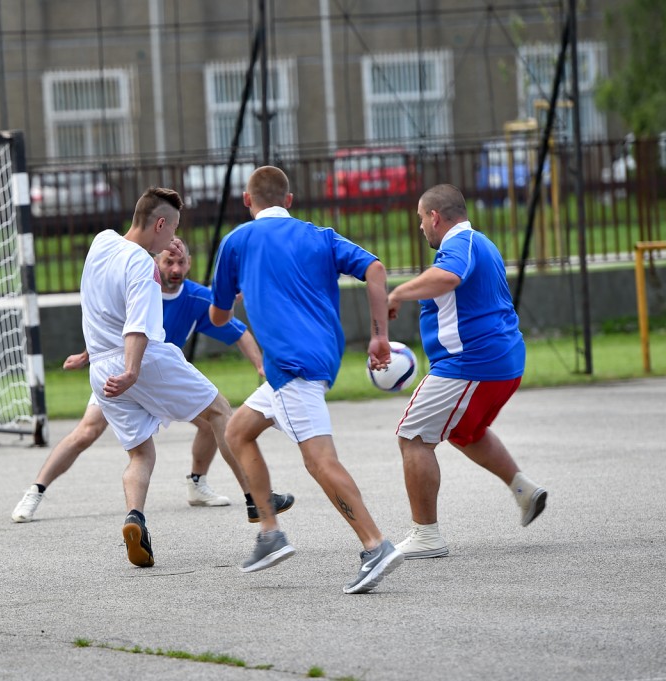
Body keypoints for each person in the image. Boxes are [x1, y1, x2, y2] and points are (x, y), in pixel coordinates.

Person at [209, 166, 404, 594]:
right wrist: (379, 336)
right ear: (289, 201)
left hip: (291, 366)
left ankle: (375, 544)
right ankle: (269, 532)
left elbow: (218, 317)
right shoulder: (321, 236)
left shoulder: (237, 241)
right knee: (238, 431)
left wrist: (236, 295)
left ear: (247, 200)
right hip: (316, 360)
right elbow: (375, 269)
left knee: (319, 461)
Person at [77, 186, 290, 568]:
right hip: (140, 362)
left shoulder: (102, 242)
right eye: (172, 229)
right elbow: (138, 326)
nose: (173, 240)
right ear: (160, 224)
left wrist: (94, 353)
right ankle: (255, 500)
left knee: (140, 453)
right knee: (219, 411)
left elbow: (99, 304)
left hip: (101, 368)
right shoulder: (143, 267)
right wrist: (132, 371)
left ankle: (135, 518)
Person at [11, 238, 283, 523]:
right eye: (169, 261)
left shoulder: (197, 298)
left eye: (181, 262)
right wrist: (87, 354)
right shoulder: (139, 284)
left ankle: (197, 483)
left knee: (210, 422)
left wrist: (260, 365)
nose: (175, 268)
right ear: (156, 262)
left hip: (158, 376)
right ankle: (36, 491)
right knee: (87, 431)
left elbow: (238, 331)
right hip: (125, 371)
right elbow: (116, 328)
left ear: (189, 264)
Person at [386, 184, 547, 559]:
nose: (420, 227)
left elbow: (449, 277)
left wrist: (398, 293)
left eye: (421, 219)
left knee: (413, 437)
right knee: (464, 431)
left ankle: (426, 535)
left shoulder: (459, 243)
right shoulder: (480, 243)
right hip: (500, 361)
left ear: (434, 217)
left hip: (471, 363)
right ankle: (524, 490)